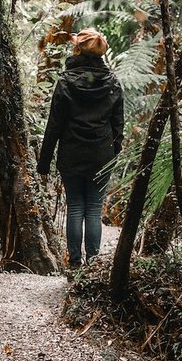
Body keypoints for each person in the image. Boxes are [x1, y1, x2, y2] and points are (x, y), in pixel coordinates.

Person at [37, 27, 124, 269]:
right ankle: (93, 264)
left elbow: (54, 124)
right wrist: (112, 153)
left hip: (71, 153)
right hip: (101, 154)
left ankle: (75, 264)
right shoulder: (113, 82)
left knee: (75, 205)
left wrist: (44, 162)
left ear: (77, 49)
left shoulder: (65, 82)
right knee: (94, 209)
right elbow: (118, 126)